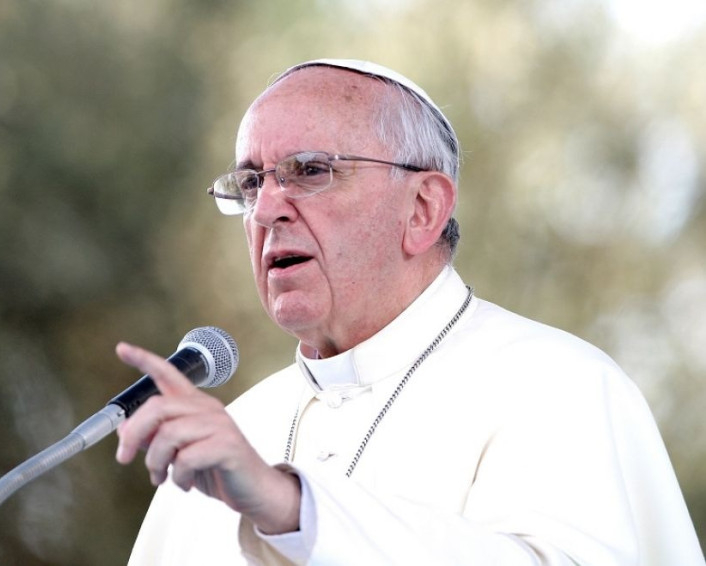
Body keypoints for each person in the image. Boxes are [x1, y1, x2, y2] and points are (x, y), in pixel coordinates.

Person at [113, 59, 704, 565]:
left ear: (423, 208)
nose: (265, 210)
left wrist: (293, 510)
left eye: (310, 170)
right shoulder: (234, 432)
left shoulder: (558, 385)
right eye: (249, 184)